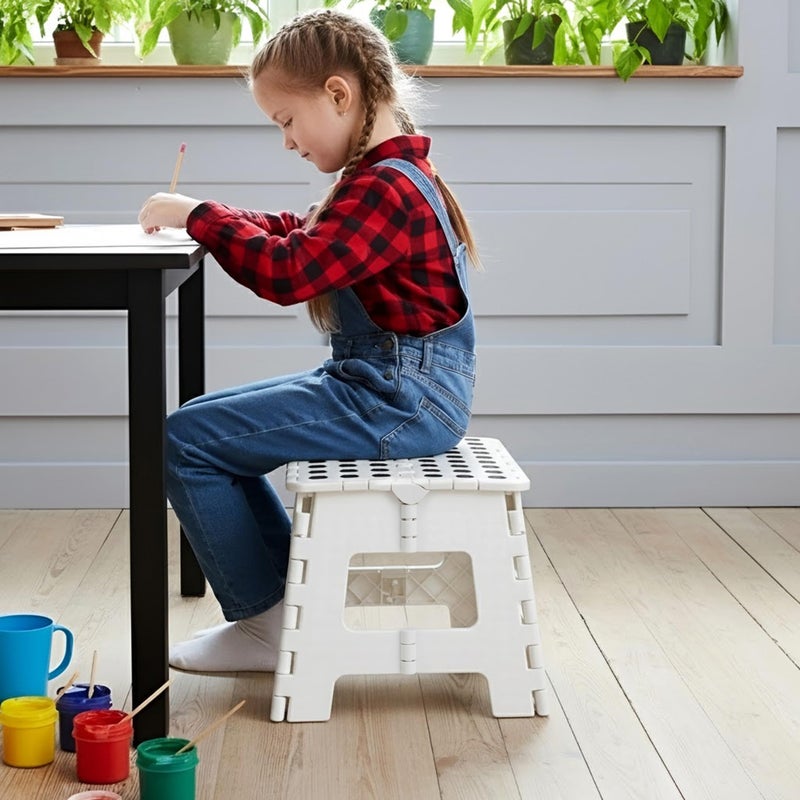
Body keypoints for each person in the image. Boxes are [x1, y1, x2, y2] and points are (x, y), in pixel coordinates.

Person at [138, 8, 479, 673]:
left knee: (187, 441)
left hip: (397, 399)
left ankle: (267, 623)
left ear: (339, 94)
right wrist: (209, 216)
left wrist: (202, 218)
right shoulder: (387, 175)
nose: (288, 143)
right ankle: (288, 605)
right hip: (383, 386)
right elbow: (303, 235)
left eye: (286, 121)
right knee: (197, 432)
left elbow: (292, 269)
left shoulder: (387, 187)